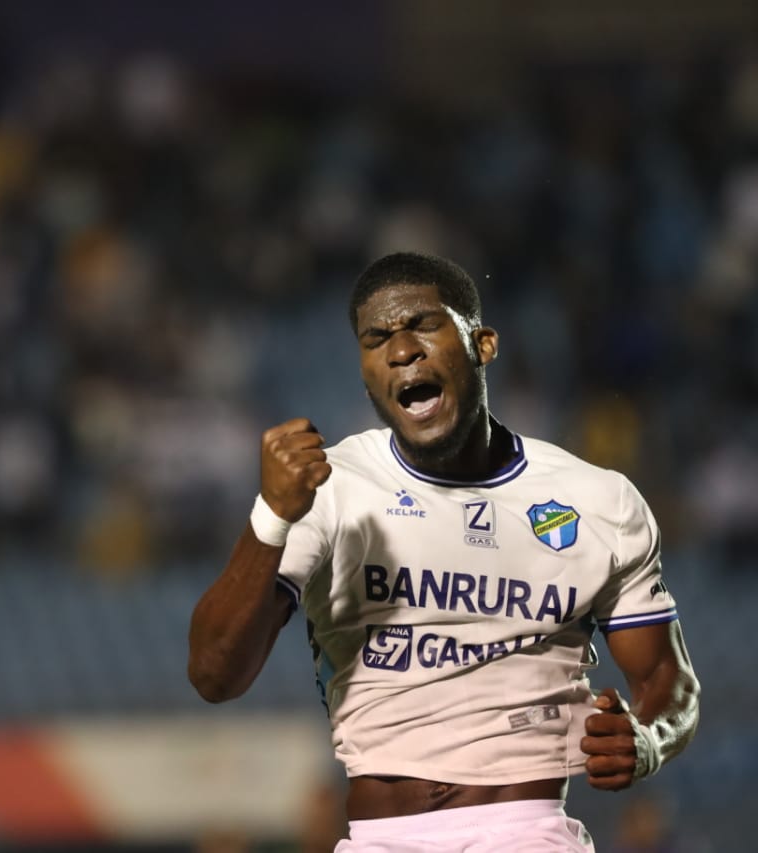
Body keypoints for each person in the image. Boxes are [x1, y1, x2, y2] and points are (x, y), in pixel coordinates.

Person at [187, 252, 700, 852]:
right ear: (366, 372)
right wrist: (272, 516)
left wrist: (649, 739)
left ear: (483, 344)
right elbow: (214, 674)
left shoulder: (597, 502)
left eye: (424, 325)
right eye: (377, 339)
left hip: (527, 833)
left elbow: (666, 680)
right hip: (380, 838)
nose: (402, 350)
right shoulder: (328, 490)